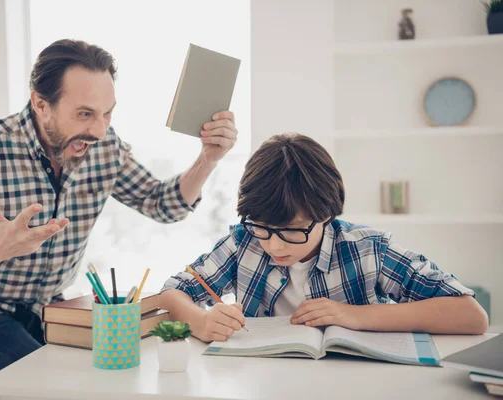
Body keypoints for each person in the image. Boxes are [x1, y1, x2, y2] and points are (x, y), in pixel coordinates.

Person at [0, 39, 238, 379]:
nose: (99, 130)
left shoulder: (103, 147)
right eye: (85, 114)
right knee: (53, 386)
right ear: (41, 104)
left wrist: (208, 158)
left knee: (112, 376)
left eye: (107, 113)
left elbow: (163, 205)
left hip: (45, 307)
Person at [160, 133, 488, 343]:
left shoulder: (367, 250)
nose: (274, 245)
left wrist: (354, 315)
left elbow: (471, 315)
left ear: (326, 214)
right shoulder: (244, 242)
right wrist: (202, 323)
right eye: (263, 227)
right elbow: (173, 293)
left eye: (292, 230)